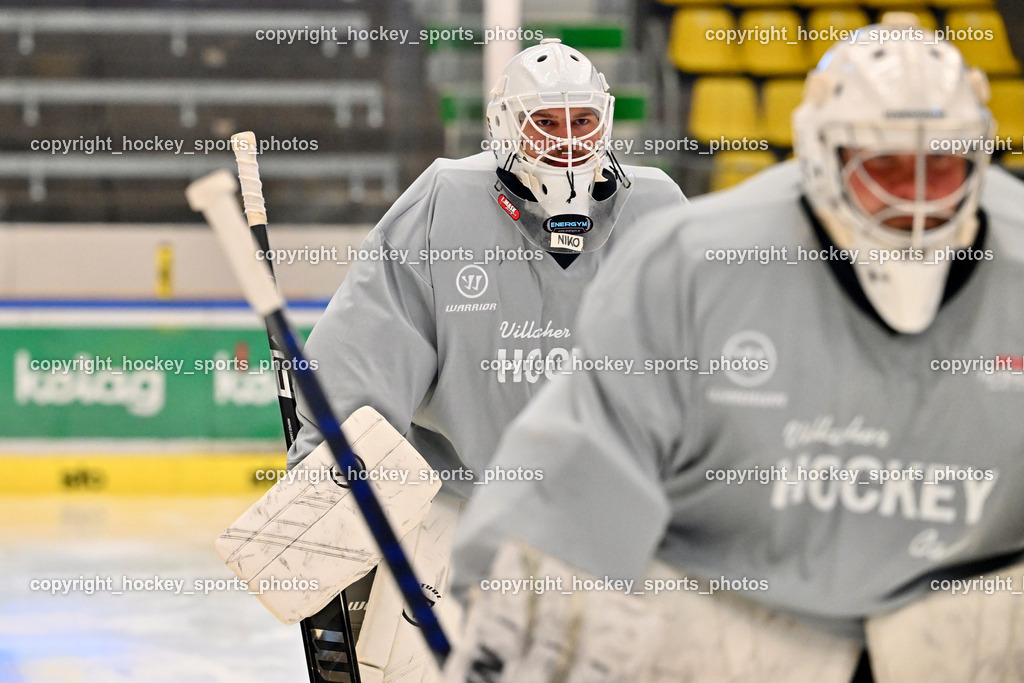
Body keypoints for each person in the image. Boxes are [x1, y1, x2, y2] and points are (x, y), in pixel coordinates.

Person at [449, 15, 1024, 681]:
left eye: (939, 164)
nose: (914, 195)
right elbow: (573, 477)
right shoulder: (692, 267)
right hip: (736, 625)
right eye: (883, 165)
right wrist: (512, 607)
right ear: (823, 157)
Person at [286, 37, 685, 679]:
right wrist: (322, 470)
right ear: (505, 126)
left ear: (606, 122)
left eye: (581, 122)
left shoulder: (657, 209)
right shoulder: (446, 201)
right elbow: (362, 359)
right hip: (459, 511)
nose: (566, 141)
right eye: (544, 123)